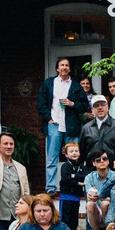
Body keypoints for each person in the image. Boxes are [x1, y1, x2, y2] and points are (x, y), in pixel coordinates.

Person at [38, 57, 90, 193]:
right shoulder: (49, 83)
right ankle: (50, 188)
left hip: (71, 126)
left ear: (70, 69)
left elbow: (85, 105)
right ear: (57, 68)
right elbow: (41, 103)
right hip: (54, 124)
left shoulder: (76, 86)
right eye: (62, 65)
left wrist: (72, 104)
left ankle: (74, 186)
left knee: (74, 157)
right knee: (52, 158)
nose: (64, 67)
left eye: (67, 65)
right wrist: (48, 118)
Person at [77, 94, 115, 168]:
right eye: (96, 106)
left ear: (107, 107)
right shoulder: (86, 128)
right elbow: (81, 154)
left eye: (102, 105)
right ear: (92, 110)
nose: (100, 108)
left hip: (113, 171)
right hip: (92, 171)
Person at [83, 151, 115, 230]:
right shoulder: (89, 178)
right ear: (93, 163)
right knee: (90, 204)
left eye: (104, 159)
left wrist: (102, 198)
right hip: (96, 213)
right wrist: (102, 197)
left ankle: (107, 229)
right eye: (98, 160)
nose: (102, 161)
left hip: (113, 211)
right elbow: (91, 198)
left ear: (108, 161)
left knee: (105, 204)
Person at [56, 140, 85, 230]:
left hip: (76, 198)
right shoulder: (65, 166)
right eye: (71, 151)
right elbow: (66, 178)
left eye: (76, 151)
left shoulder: (81, 167)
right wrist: (78, 183)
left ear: (79, 153)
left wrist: (74, 176)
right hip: (66, 198)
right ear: (66, 154)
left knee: (74, 222)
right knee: (65, 221)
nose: (74, 153)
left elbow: (85, 176)